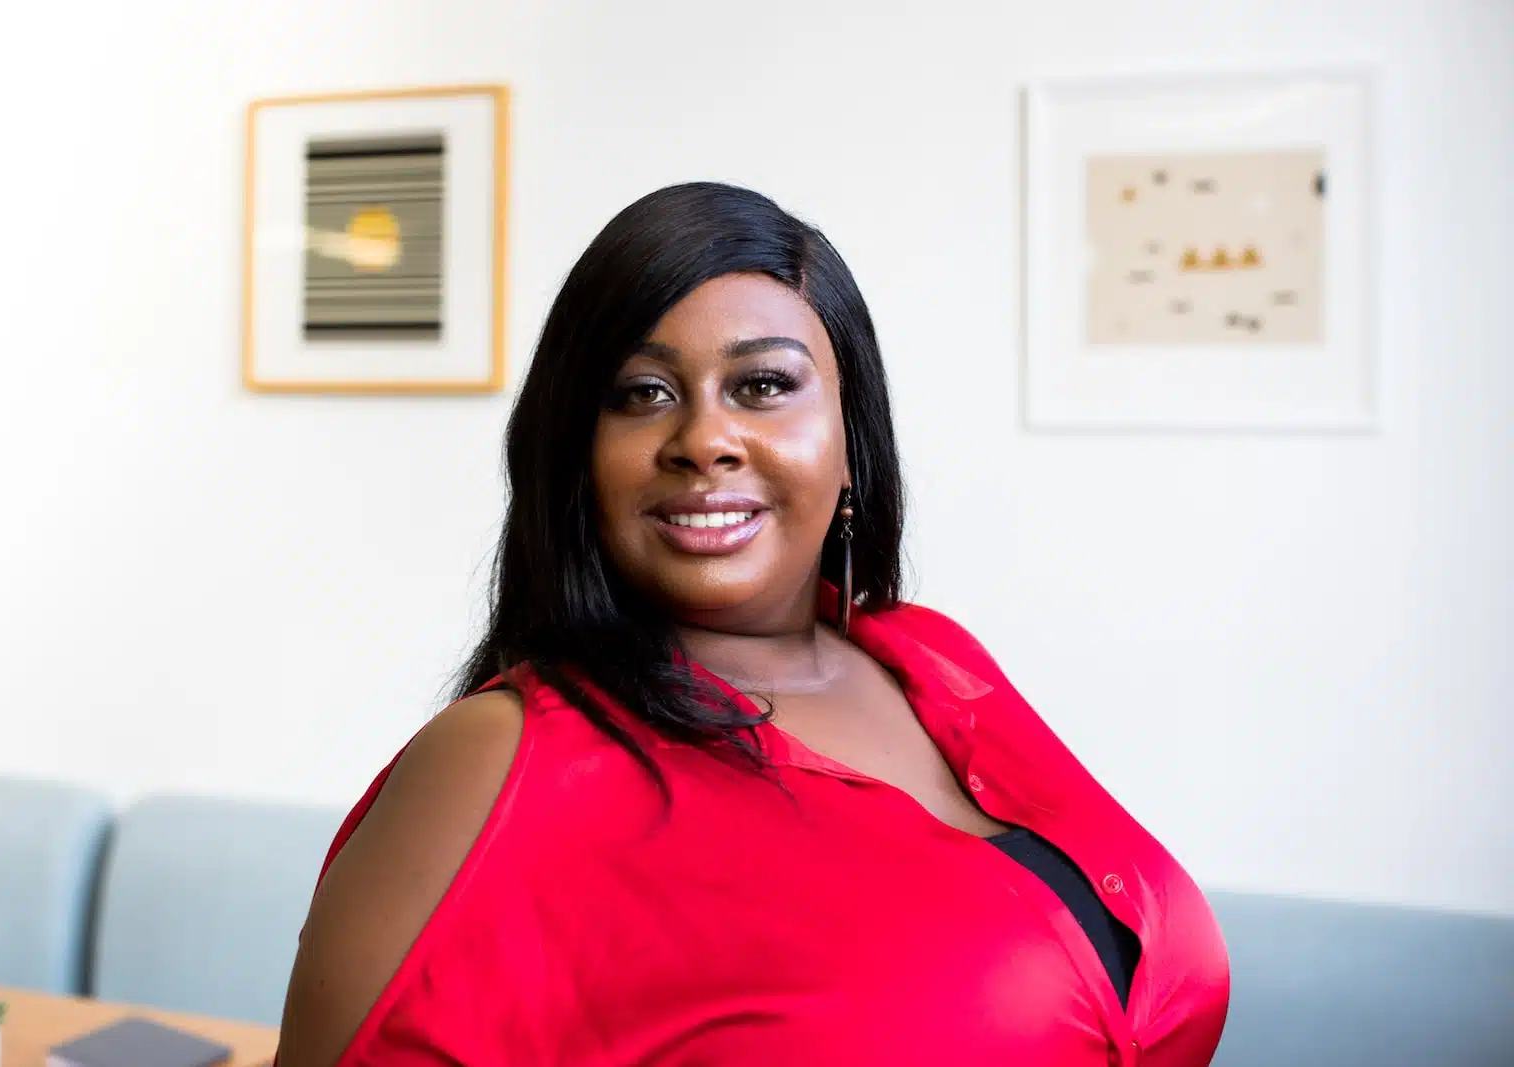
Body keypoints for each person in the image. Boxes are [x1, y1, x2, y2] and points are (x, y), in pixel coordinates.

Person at [275, 182, 1231, 1067]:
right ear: (577, 455)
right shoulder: (498, 759)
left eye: (764, 385)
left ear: (851, 439)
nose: (703, 439)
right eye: (643, 394)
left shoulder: (933, 659)